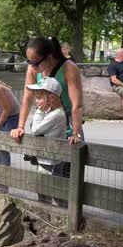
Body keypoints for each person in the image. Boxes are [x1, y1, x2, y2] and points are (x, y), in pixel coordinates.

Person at [11, 36, 83, 144]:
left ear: (48, 57)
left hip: (67, 122)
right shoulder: (32, 69)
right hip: (45, 121)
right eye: (28, 61)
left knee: (71, 156)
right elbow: (27, 99)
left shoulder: (69, 68)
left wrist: (75, 133)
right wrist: (20, 127)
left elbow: (77, 105)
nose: (31, 65)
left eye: (35, 62)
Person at [26, 77, 69, 206]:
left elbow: (35, 130)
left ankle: (57, 215)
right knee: (46, 190)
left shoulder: (56, 115)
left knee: (50, 192)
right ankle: (51, 214)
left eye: (39, 98)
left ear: (52, 98)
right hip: (48, 158)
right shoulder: (52, 112)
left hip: (50, 160)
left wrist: (39, 111)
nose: (37, 102)